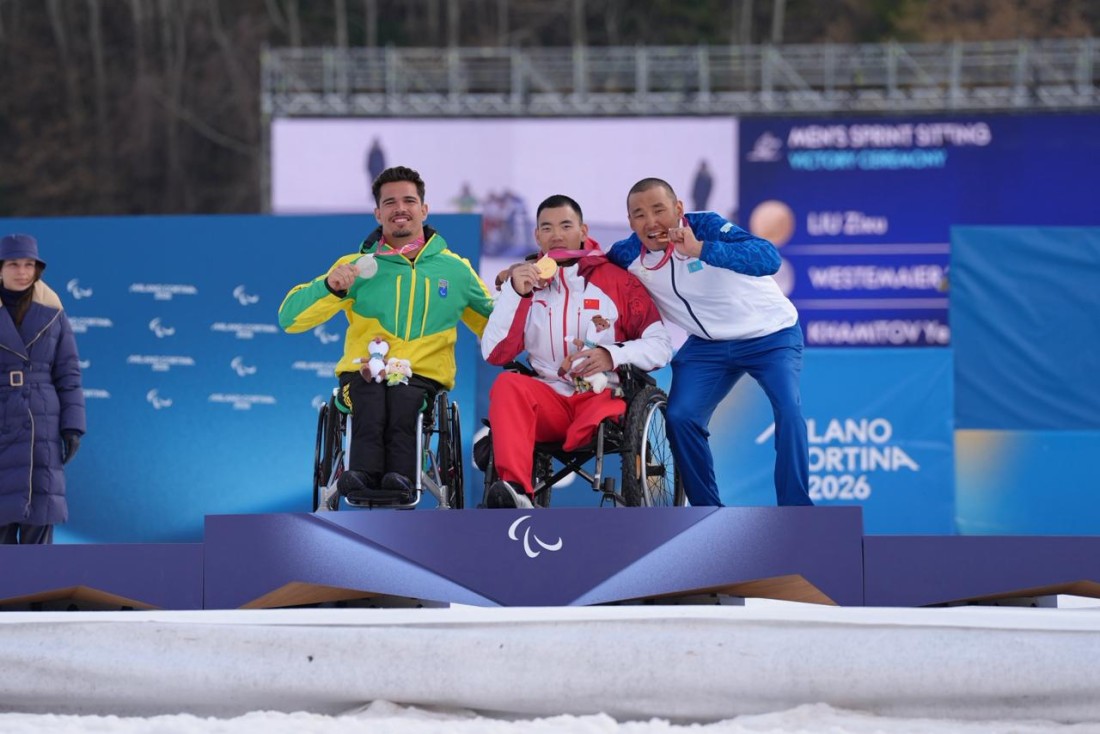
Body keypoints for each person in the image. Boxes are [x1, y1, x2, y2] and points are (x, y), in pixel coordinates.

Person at [279, 166, 494, 503]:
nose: (400, 209)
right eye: (390, 202)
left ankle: (401, 477)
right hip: (364, 372)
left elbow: (496, 328)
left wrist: (522, 296)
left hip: (421, 377)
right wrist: (329, 287)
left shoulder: (456, 270)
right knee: (369, 395)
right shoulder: (355, 266)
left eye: (409, 201)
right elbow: (289, 319)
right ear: (378, 213)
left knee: (404, 398)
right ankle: (361, 475)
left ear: (424, 209)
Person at [605, 178, 812, 508]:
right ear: (630, 222)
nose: (651, 222)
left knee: (788, 407)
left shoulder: (706, 227)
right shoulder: (627, 253)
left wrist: (701, 250)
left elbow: (768, 258)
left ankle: (796, 509)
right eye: (639, 215)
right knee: (680, 416)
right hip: (708, 346)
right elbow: (589, 268)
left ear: (679, 209)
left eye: (659, 210)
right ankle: (707, 512)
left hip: (770, 335)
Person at [481, 194, 672, 509]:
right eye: (547, 228)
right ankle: (516, 492)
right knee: (507, 384)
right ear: (537, 235)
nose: (556, 235)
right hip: (548, 401)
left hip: (601, 399)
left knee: (600, 402)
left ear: (583, 231)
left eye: (566, 226)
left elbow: (661, 345)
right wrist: (516, 294)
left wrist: (612, 354)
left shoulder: (617, 281)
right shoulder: (524, 282)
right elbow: (494, 353)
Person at [0, 233, 86, 544]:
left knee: (40, 526)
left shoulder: (53, 311)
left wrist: (72, 427)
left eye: (29, 264)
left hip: (42, 428)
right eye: (13, 264)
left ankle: (39, 582)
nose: (22, 272)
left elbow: (68, 373)